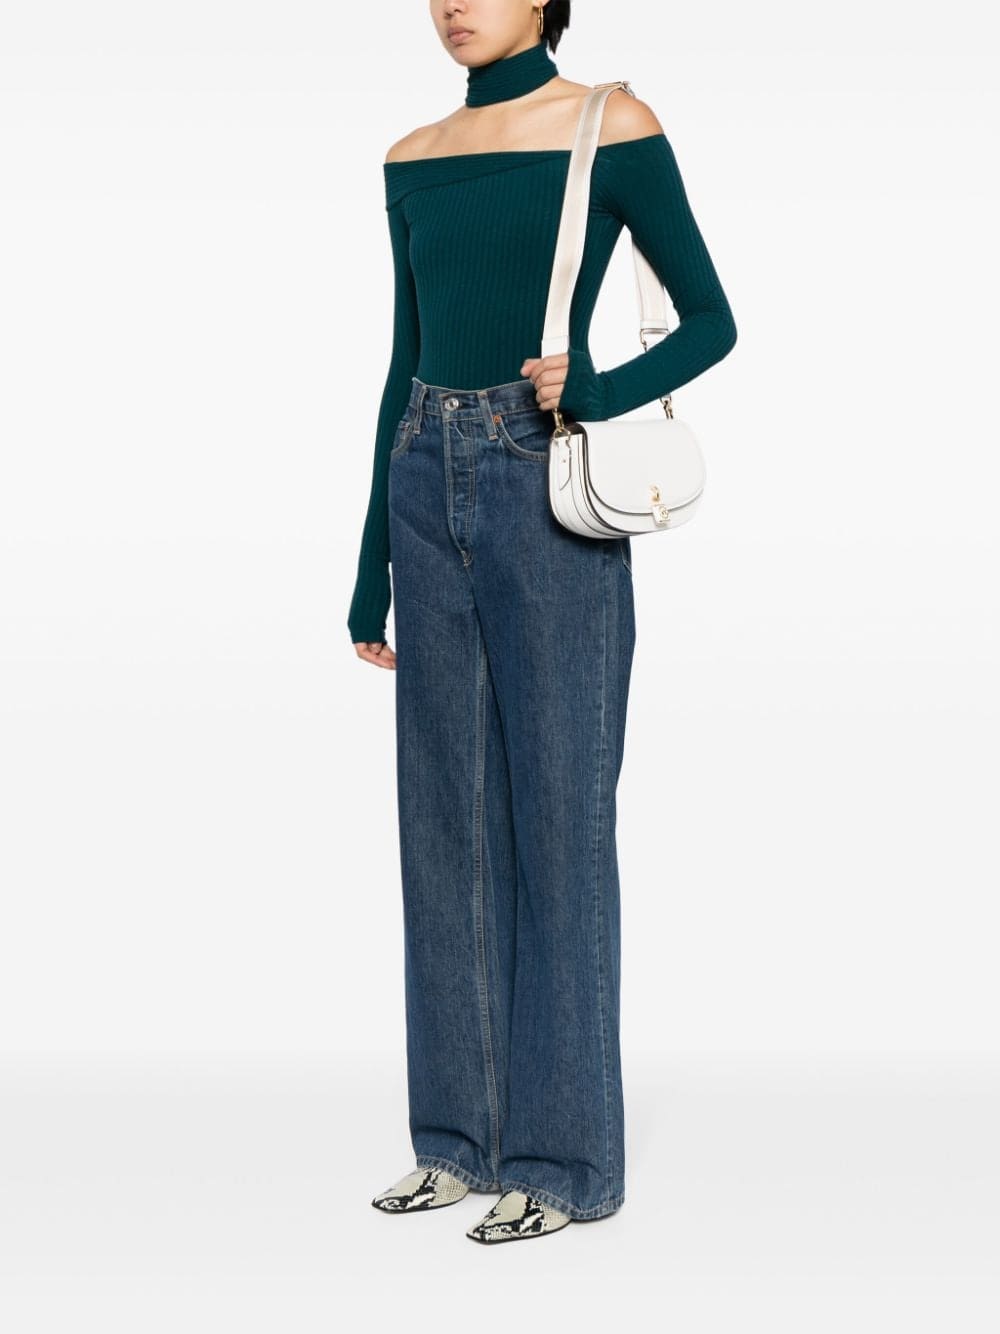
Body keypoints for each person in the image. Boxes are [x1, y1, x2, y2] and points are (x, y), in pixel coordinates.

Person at [351, 0, 737, 1245]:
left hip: (542, 477)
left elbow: (712, 317)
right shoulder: (412, 155)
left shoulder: (607, 123)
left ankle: (565, 1161)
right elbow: (403, 356)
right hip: (425, 472)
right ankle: (457, 1143)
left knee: (560, 823)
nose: (452, 4)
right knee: (443, 829)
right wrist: (370, 563)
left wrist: (602, 387)